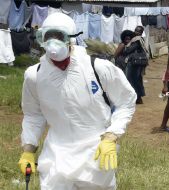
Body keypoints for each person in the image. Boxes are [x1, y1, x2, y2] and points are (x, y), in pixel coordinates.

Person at [18, 12, 137, 190]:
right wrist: (28, 150)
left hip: (95, 154)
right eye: (48, 37)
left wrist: (111, 136)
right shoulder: (34, 75)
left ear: (72, 38)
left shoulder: (97, 67)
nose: (53, 43)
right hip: (57, 155)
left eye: (59, 36)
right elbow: (33, 115)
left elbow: (126, 101)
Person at [122, 26, 149, 104]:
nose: (136, 32)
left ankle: (136, 98)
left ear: (141, 33)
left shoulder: (137, 40)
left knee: (131, 80)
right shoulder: (140, 40)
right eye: (136, 31)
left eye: (139, 32)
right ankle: (138, 98)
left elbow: (128, 50)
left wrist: (125, 46)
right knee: (137, 80)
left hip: (134, 64)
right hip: (138, 63)